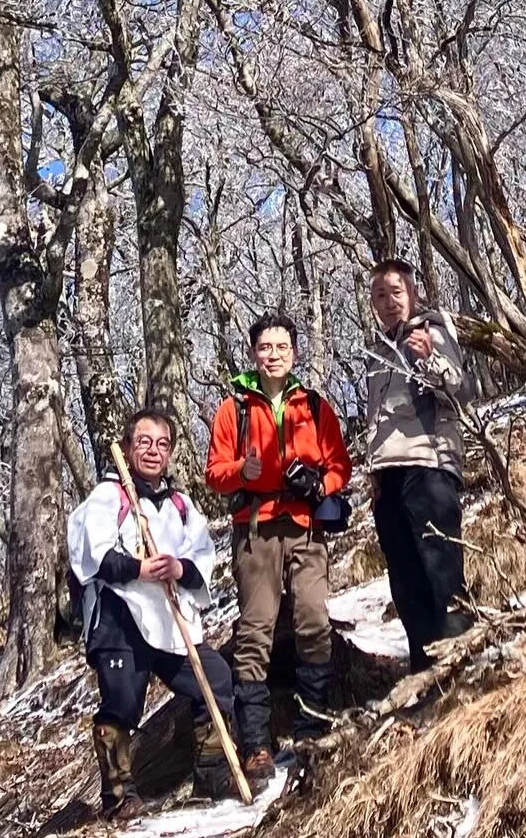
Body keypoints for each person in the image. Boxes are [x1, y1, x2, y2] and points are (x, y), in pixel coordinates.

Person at [67, 409, 236, 820]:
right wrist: (139, 569)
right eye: (143, 442)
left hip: (169, 617)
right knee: (123, 700)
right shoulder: (109, 497)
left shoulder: (180, 504)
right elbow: (93, 555)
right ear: (127, 447)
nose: (152, 451)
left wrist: (179, 569)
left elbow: (202, 555)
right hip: (120, 617)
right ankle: (119, 797)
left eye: (162, 444)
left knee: (214, 680)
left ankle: (213, 775)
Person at [205, 312, 351, 784]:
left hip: (306, 527)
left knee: (312, 618)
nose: (273, 354)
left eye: (282, 346)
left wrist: (319, 482)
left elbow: (340, 466)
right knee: (255, 632)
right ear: (253, 353)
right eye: (265, 347)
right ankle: (256, 746)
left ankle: (312, 726)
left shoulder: (314, 405)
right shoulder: (234, 408)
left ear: (295, 352)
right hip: (256, 527)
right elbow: (214, 471)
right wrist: (239, 474)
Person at [366, 258, 480, 673]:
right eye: (380, 295)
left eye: (396, 292)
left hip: (428, 464)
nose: (389, 301)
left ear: (412, 294)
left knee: (440, 568)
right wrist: (374, 473)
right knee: (404, 577)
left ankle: (461, 662)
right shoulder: (377, 353)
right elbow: (376, 419)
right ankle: (423, 670)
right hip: (388, 474)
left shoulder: (431, 329)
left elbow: (461, 390)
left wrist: (431, 357)